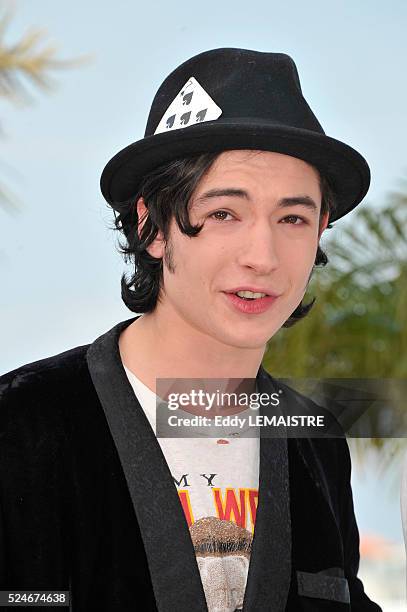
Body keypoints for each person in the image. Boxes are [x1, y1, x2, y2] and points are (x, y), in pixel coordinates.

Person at [0, 48, 381, 611]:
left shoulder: (312, 439)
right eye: (226, 212)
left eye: (293, 218)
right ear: (151, 224)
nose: (263, 255)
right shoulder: (25, 421)